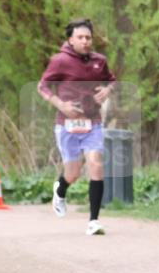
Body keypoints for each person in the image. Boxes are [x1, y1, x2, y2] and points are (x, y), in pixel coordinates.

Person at [38, 18, 116, 235]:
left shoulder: (99, 61)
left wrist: (107, 90)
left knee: (96, 164)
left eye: (88, 37)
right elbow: (42, 86)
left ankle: (93, 221)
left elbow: (112, 80)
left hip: (93, 122)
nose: (85, 41)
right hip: (67, 125)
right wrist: (61, 104)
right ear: (70, 40)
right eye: (80, 37)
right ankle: (61, 188)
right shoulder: (60, 61)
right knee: (72, 173)